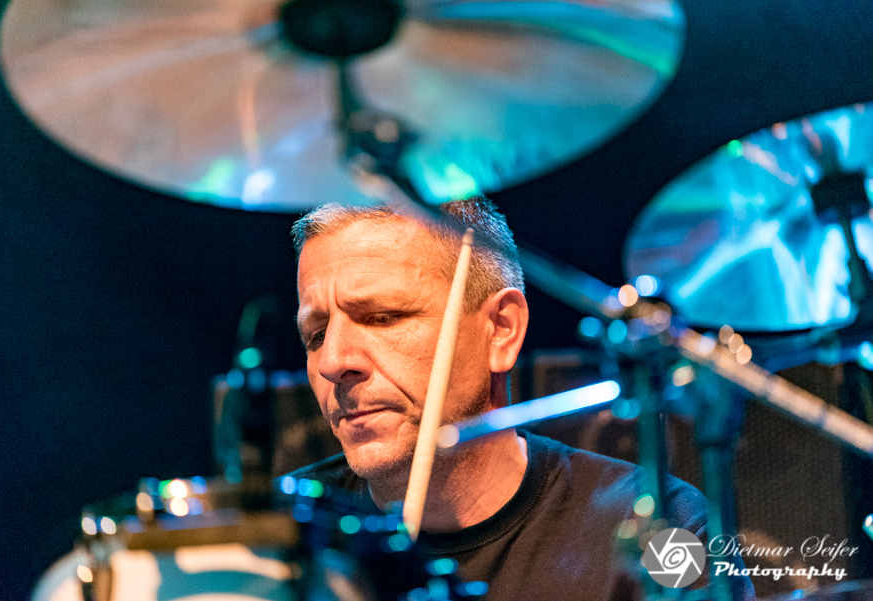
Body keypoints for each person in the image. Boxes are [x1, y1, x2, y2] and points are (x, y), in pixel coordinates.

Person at [287, 197, 755, 601]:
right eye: (316, 335)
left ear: (501, 330)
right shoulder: (281, 538)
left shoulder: (667, 529)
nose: (333, 361)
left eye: (383, 317)